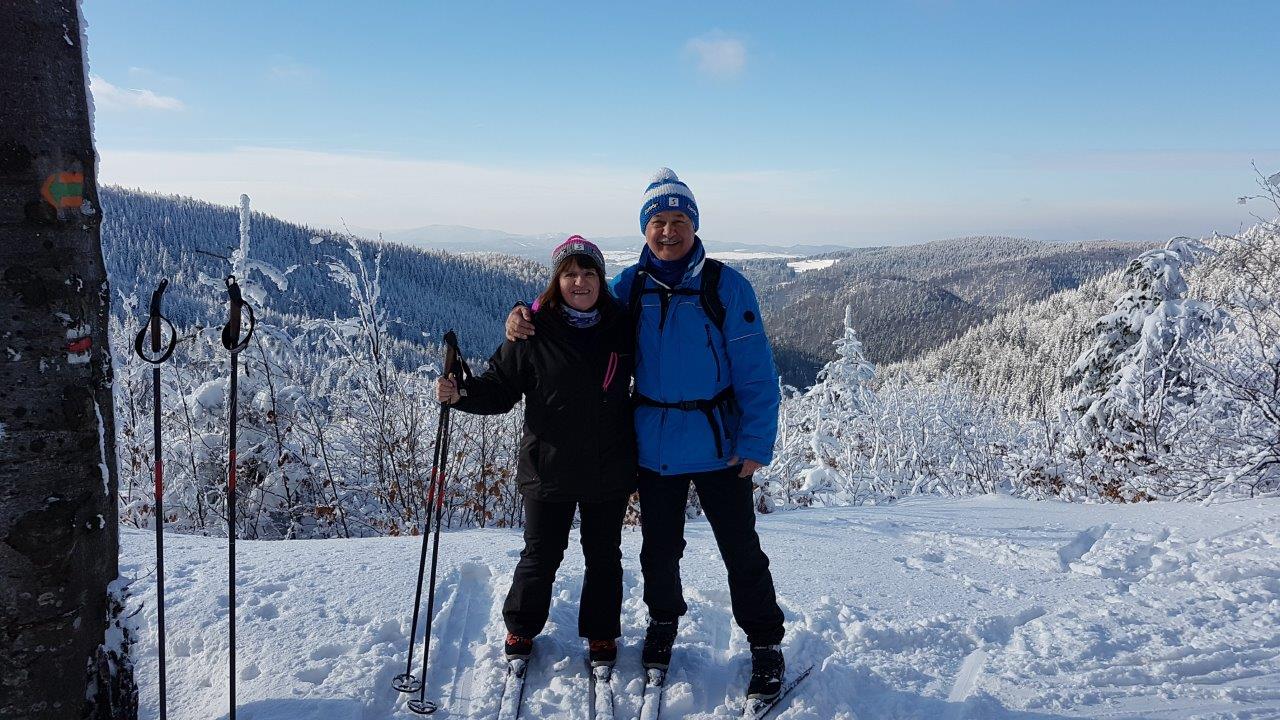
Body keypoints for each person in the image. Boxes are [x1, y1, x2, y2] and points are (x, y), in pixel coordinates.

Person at [505, 169, 787, 700]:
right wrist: (527, 315)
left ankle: (766, 643)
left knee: (741, 549)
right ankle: (662, 624)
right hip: (654, 441)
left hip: (719, 442)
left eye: (679, 220)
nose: (668, 231)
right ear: (644, 227)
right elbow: (575, 312)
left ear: (694, 225)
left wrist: (755, 442)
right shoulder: (630, 285)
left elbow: (756, 371)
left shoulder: (725, 284)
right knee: (659, 551)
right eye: (658, 221)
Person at [439, 236, 635, 669]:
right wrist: (461, 394)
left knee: (604, 555)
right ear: (556, 281)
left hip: (610, 464)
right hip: (549, 465)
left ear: (601, 280)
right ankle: (521, 627)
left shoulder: (624, 325)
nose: (579, 281)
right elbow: (500, 388)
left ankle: (601, 633)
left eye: (588, 273)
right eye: (570, 274)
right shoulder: (530, 330)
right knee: (541, 554)